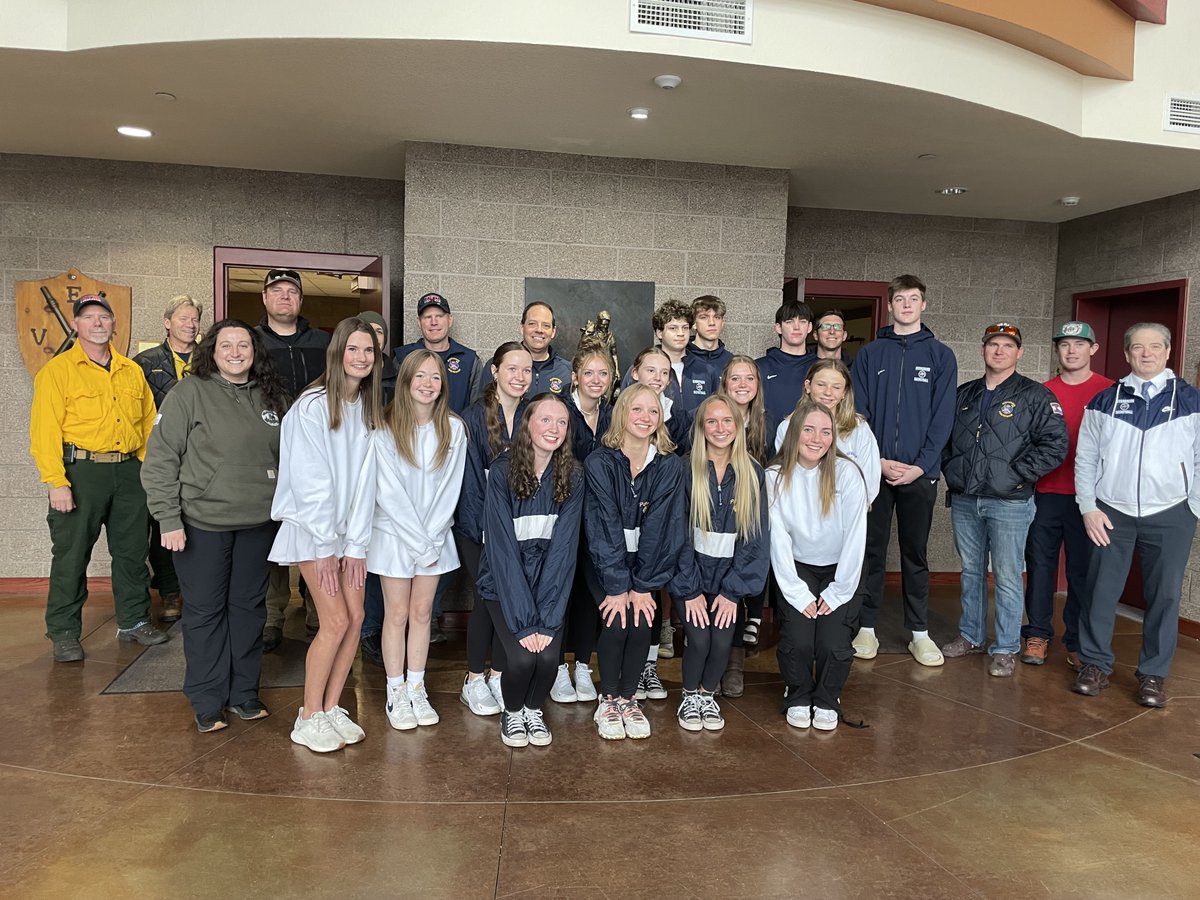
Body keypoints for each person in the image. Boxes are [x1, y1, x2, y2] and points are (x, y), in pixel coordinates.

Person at [140, 320, 287, 732]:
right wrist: (168, 519)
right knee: (205, 613)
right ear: (213, 350)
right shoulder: (188, 393)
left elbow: (294, 458)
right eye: (227, 345)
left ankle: (243, 694)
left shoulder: (272, 397)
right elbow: (160, 461)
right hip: (201, 524)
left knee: (248, 612)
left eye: (244, 345)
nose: (236, 352)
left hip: (258, 524)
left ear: (255, 351)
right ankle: (207, 698)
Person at [30, 293, 168, 662]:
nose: (97, 323)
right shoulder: (57, 371)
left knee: (132, 553)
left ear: (113, 324)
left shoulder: (130, 370)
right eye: (89, 317)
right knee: (72, 556)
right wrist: (56, 481)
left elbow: (146, 424)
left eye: (104, 317)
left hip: (128, 470)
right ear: (76, 325)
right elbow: (44, 431)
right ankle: (63, 632)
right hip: (81, 471)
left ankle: (134, 620)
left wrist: (146, 471)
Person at [1073, 323, 1200, 708]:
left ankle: (1153, 675)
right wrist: (1089, 507)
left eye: (1155, 347)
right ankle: (1095, 665)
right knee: (1100, 591)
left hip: (1172, 513)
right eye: (1138, 348)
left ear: (1167, 351)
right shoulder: (1103, 401)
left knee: (1163, 596)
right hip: (1112, 512)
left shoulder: (1191, 400)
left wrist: (1192, 508)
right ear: (1126, 354)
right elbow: (1086, 459)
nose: (1147, 354)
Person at [269, 317, 381, 753]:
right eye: (353, 349)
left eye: (368, 351)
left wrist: (354, 546)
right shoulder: (313, 406)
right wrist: (326, 549)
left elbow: (367, 483)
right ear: (337, 353)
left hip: (351, 537)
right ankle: (309, 715)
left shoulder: (369, 408)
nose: (361, 358)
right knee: (333, 621)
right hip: (314, 535)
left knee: (355, 620)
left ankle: (332, 708)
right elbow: (312, 484)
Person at [940, 323, 1067, 678]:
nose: (999, 351)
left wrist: (1014, 475)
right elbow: (944, 439)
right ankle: (971, 635)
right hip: (966, 499)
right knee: (971, 572)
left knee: (1009, 576)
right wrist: (952, 469)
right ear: (982, 350)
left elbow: (1055, 445)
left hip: (1010, 502)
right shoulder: (965, 394)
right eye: (993, 344)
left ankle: (1006, 646)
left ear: (1019, 352)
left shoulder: (1036, 396)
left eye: (1007, 346)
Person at [849, 274, 957, 667]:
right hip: (874, 473)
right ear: (890, 305)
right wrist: (874, 461)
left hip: (919, 474)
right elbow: (858, 414)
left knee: (916, 554)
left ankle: (920, 632)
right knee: (870, 552)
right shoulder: (871, 354)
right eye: (900, 299)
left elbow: (943, 418)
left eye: (914, 298)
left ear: (923, 304)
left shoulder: (940, 356)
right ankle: (865, 626)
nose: (907, 305)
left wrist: (921, 466)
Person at [479, 393, 585, 747]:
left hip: (547, 587)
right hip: (503, 585)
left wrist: (547, 619)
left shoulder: (573, 475)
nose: (553, 429)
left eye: (561, 422)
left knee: (550, 659)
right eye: (545, 419)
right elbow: (502, 553)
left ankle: (533, 711)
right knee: (524, 659)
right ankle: (513, 712)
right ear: (528, 423)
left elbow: (563, 552)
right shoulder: (501, 472)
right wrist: (527, 623)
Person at [369, 351, 467, 731]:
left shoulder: (453, 429)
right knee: (396, 614)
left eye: (436, 378)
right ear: (406, 381)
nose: (428, 384)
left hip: (435, 536)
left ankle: (416, 685)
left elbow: (450, 489)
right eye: (420, 377)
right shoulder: (384, 427)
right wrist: (418, 540)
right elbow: (388, 491)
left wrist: (431, 539)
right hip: (395, 535)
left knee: (423, 614)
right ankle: (395, 690)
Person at [585, 383, 684, 740]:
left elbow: (663, 528)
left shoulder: (669, 466)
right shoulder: (600, 461)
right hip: (603, 561)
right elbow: (603, 526)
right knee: (616, 621)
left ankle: (629, 700)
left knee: (642, 620)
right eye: (637, 409)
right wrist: (617, 585)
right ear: (622, 413)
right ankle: (608, 699)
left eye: (653, 411)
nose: (645, 418)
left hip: (646, 564)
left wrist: (642, 585)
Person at [769, 399, 868, 731]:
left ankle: (827, 697)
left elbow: (856, 536)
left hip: (840, 571)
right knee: (799, 640)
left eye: (825, 432)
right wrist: (797, 593)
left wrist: (840, 591)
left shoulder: (848, 473)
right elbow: (777, 539)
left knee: (831, 642)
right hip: (796, 570)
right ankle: (797, 693)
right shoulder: (774, 476)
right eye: (809, 429)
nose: (817, 438)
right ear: (795, 433)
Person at [670, 395, 768, 731]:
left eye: (727, 421)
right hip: (692, 579)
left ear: (739, 427)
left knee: (723, 639)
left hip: (728, 581)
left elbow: (755, 538)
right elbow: (676, 535)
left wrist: (732, 591)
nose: (720, 428)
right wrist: (690, 588)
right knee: (699, 638)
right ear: (701, 427)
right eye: (711, 421)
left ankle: (706, 695)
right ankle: (689, 696)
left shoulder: (752, 473)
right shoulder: (686, 469)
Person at [1021, 322, 1112, 668]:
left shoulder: (1109, 392)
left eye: (1079, 344)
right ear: (1057, 350)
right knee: (1040, 568)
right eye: (1064, 345)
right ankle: (1038, 634)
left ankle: (1075, 638)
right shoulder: (1041, 392)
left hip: (1090, 501)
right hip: (1045, 494)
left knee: (1082, 572)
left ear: (1093, 349)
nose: (1071, 350)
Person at [256, 268, 329, 654]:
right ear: (265, 299)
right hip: (270, 449)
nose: (285, 297)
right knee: (273, 532)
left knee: (317, 528)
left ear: (301, 300)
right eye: (277, 291)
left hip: (317, 452)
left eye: (292, 292)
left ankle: (319, 609)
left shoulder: (322, 341)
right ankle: (272, 616)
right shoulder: (251, 342)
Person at [457, 342, 532, 717]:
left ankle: (499, 677)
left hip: (517, 527)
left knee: (507, 600)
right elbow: (469, 481)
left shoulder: (532, 416)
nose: (520, 377)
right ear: (495, 371)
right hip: (481, 527)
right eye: (512, 369)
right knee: (489, 601)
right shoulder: (473, 417)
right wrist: (486, 528)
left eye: (527, 371)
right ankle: (473, 680)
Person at [134, 294, 203, 624]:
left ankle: (200, 592)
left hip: (200, 461)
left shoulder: (210, 361)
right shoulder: (144, 362)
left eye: (194, 319)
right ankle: (170, 592)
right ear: (167, 322)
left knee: (197, 527)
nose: (190, 325)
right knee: (163, 526)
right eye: (183, 318)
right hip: (160, 457)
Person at [549, 348, 613, 704]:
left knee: (591, 593)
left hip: (599, 520)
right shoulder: (560, 411)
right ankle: (559, 668)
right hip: (562, 514)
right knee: (562, 591)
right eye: (589, 373)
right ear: (574, 377)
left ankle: (584, 668)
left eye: (602, 374)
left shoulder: (613, 415)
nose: (595, 380)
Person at [627, 346, 692, 680]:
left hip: (657, 523)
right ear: (635, 372)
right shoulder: (622, 410)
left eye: (664, 372)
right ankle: (623, 670)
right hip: (625, 525)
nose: (657, 377)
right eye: (650, 370)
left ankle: (647, 667)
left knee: (651, 595)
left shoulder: (676, 418)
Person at [716, 355, 774, 685]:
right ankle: (718, 656)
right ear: (724, 383)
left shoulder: (766, 421)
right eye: (735, 378)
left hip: (752, 509)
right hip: (718, 510)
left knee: (745, 567)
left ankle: (735, 660)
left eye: (749, 378)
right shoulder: (712, 416)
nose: (742, 385)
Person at [356, 310, 398, 668]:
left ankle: (379, 627)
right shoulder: (346, 386)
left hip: (392, 483)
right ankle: (368, 629)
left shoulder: (398, 377)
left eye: (378, 334)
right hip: (358, 486)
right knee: (368, 565)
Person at [394, 292, 480, 414]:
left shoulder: (470, 360)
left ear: (449, 320)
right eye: (427, 317)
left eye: (439, 316)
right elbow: (396, 403)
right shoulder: (403, 357)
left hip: (456, 431)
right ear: (419, 322)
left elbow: (477, 409)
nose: (434, 322)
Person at [476, 301, 572, 397]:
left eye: (546, 325)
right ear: (522, 328)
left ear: (553, 332)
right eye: (532, 324)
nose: (539, 330)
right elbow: (482, 407)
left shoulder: (567, 371)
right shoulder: (499, 364)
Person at [617, 300, 692, 407]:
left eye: (685, 328)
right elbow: (623, 408)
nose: (681, 333)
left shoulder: (704, 369)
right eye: (673, 328)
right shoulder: (639, 368)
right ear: (659, 333)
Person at [756, 298, 816, 426]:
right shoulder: (760, 366)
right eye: (789, 322)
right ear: (778, 328)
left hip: (809, 442)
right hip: (768, 443)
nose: (797, 327)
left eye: (803, 321)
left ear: (809, 327)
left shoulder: (820, 367)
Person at [680, 295, 732, 411]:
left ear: (722, 323)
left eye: (717, 317)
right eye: (704, 317)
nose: (712, 322)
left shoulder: (731, 362)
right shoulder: (681, 358)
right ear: (693, 324)